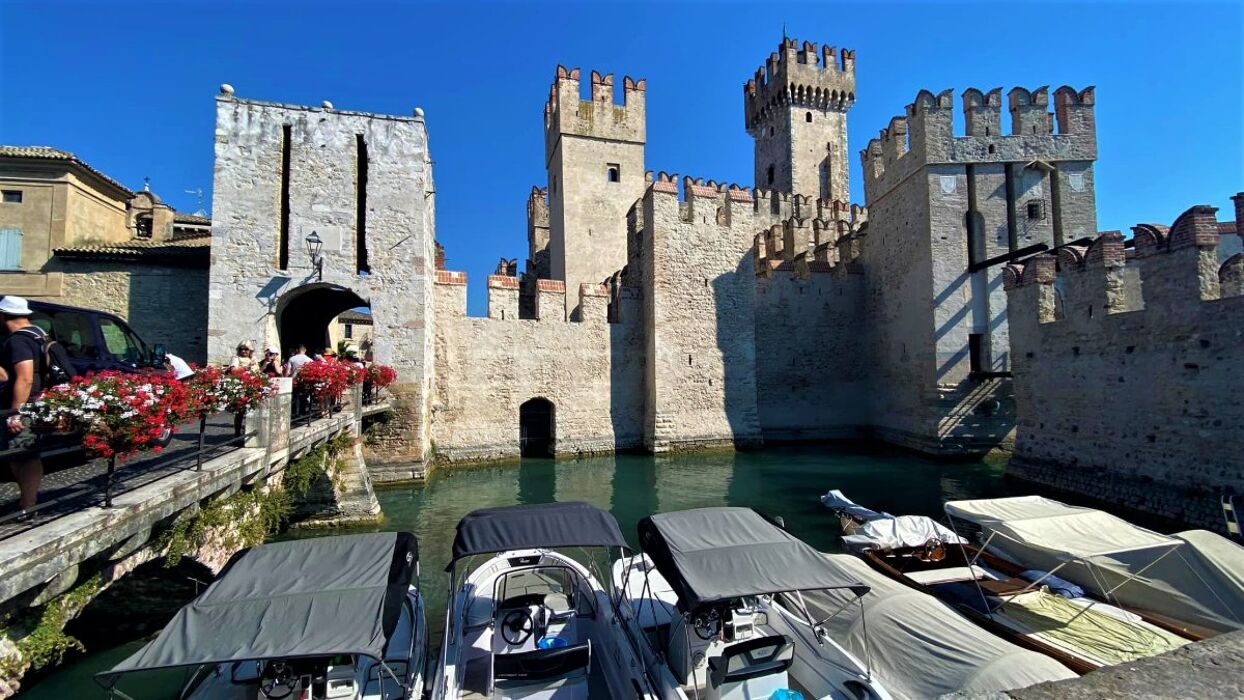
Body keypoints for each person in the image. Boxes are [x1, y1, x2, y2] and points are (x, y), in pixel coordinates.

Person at [0, 296, 45, 516]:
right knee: (23, 454)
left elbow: (25, 377)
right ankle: (28, 503)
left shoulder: (18, 341)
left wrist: (16, 412)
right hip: (37, 402)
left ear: (3, 316)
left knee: (24, 455)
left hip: (23, 408)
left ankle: (28, 506)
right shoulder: (39, 334)